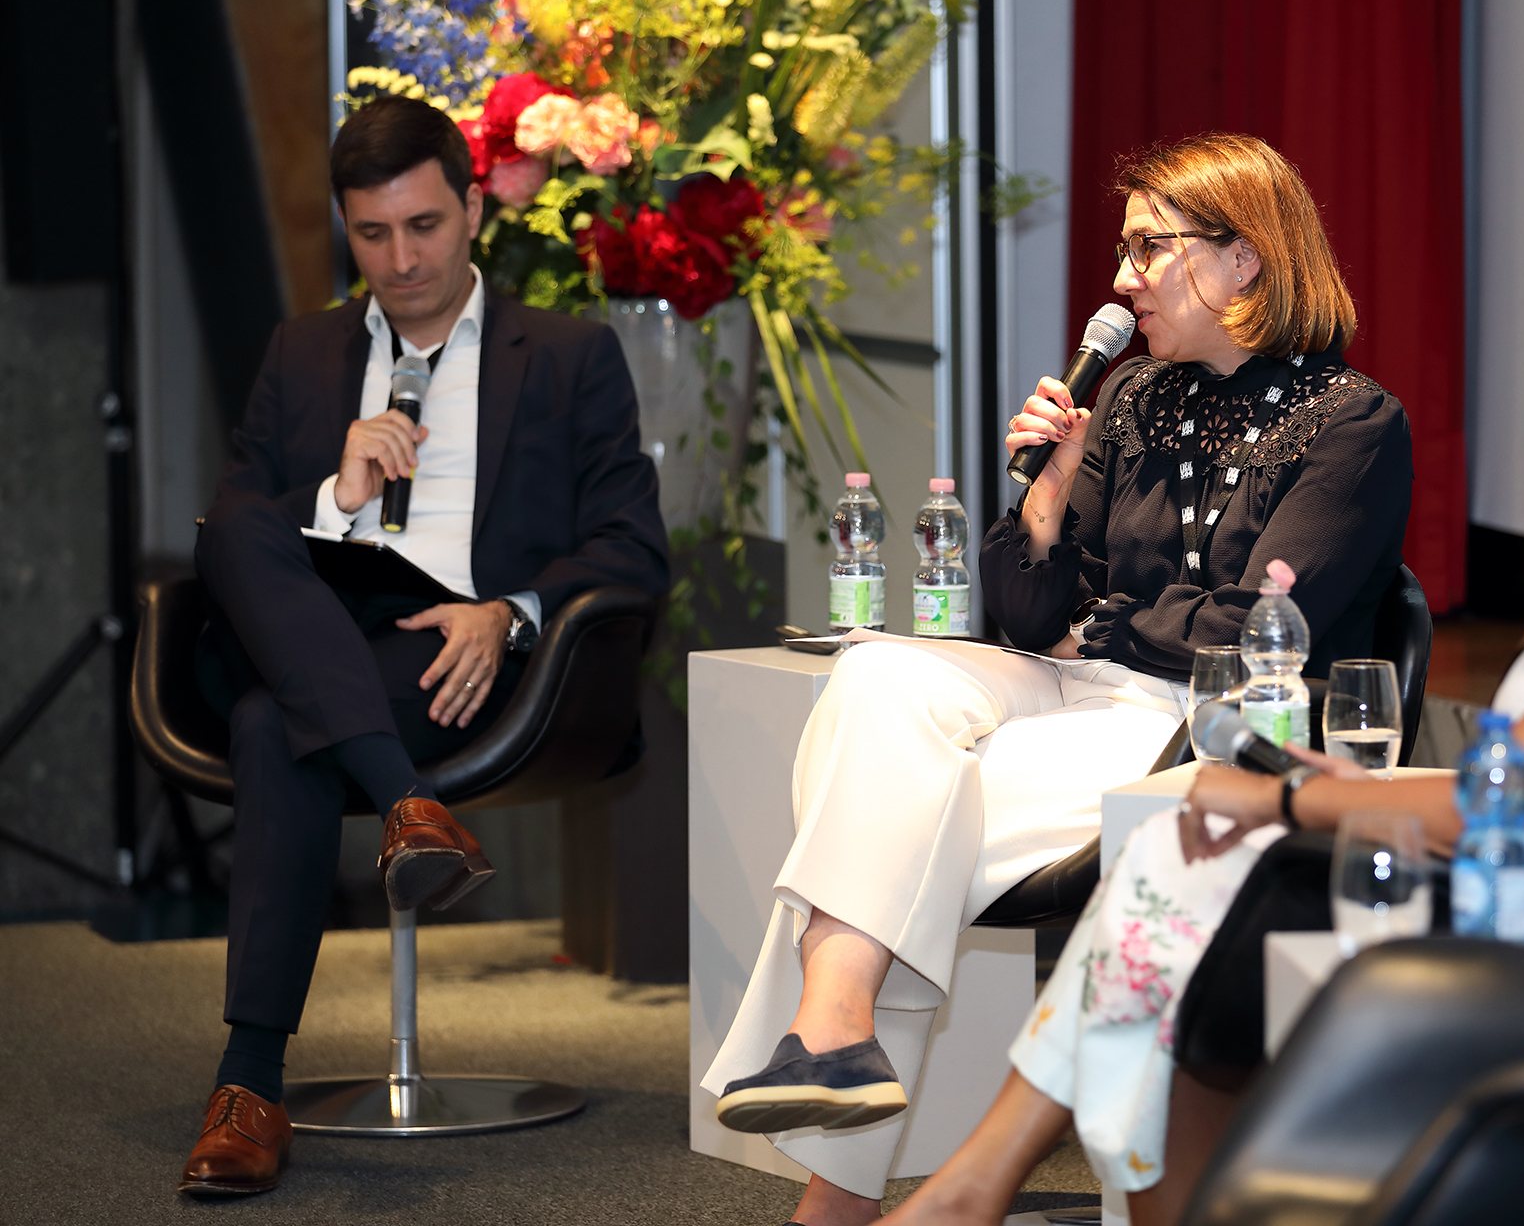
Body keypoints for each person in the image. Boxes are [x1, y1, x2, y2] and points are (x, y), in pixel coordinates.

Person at [886, 238, 1524, 1225]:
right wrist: (1320, 784)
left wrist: (1291, 795)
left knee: (1181, 869)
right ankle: (994, 1184)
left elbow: (1510, 804)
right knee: (1183, 875)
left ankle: (976, 1185)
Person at [701, 132, 1412, 1226]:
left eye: (1149, 248)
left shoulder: (1352, 421)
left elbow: (1258, 631)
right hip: (1083, 685)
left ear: (1244, 258)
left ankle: (831, 1168)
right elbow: (1029, 618)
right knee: (880, 680)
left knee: (897, 826)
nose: (1122, 281)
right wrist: (1046, 499)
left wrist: (1106, 620)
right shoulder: (1128, 399)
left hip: (1212, 724)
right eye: (1125, 251)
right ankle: (832, 1027)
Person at [177, 96, 669, 1196]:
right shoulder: (302, 351)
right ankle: (411, 807)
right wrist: (337, 496)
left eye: (424, 226)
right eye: (372, 234)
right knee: (238, 524)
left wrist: (509, 612)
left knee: (272, 725)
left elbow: (634, 547)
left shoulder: (570, 356)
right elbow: (238, 533)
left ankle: (248, 1085)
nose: (400, 260)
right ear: (345, 231)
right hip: (312, 617)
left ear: (473, 212)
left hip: (448, 654)